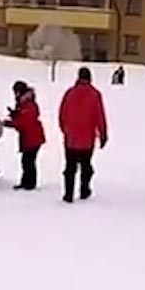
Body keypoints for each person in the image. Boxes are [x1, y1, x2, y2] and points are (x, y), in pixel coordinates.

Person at [58, 66, 108, 203]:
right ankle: (84, 190)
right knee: (86, 165)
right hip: (87, 139)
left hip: (71, 139)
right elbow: (100, 116)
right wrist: (103, 134)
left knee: (70, 166)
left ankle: (68, 193)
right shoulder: (95, 94)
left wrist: (65, 130)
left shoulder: (69, 93)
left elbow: (61, 114)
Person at [4, 81, 45, 190]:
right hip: (30, 137)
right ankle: (26, 182)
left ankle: (29, 183)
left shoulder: (28, 105)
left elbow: (24, 123)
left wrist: (10, 122)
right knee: (27, 160)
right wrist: (15, 115)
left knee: (28, 161)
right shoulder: (24, 103)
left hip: (32, 137)